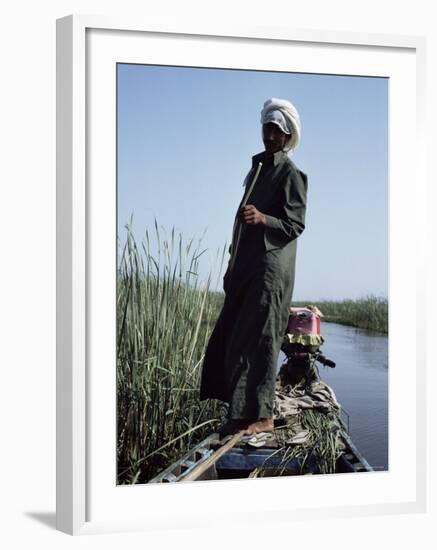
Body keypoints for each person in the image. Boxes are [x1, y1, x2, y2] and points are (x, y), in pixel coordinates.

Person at [199, 97, 308, 436]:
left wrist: (264, 218)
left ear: (286, 135)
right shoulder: (258, 169)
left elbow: (295, 224)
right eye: (266, 128)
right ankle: (241, 412)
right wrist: (233, 265)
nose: (269, 135)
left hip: (269, 271)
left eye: (276, 130)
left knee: (261, 340)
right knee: (235, 338)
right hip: (247, 269)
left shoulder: (291, 173)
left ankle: (263, 416)